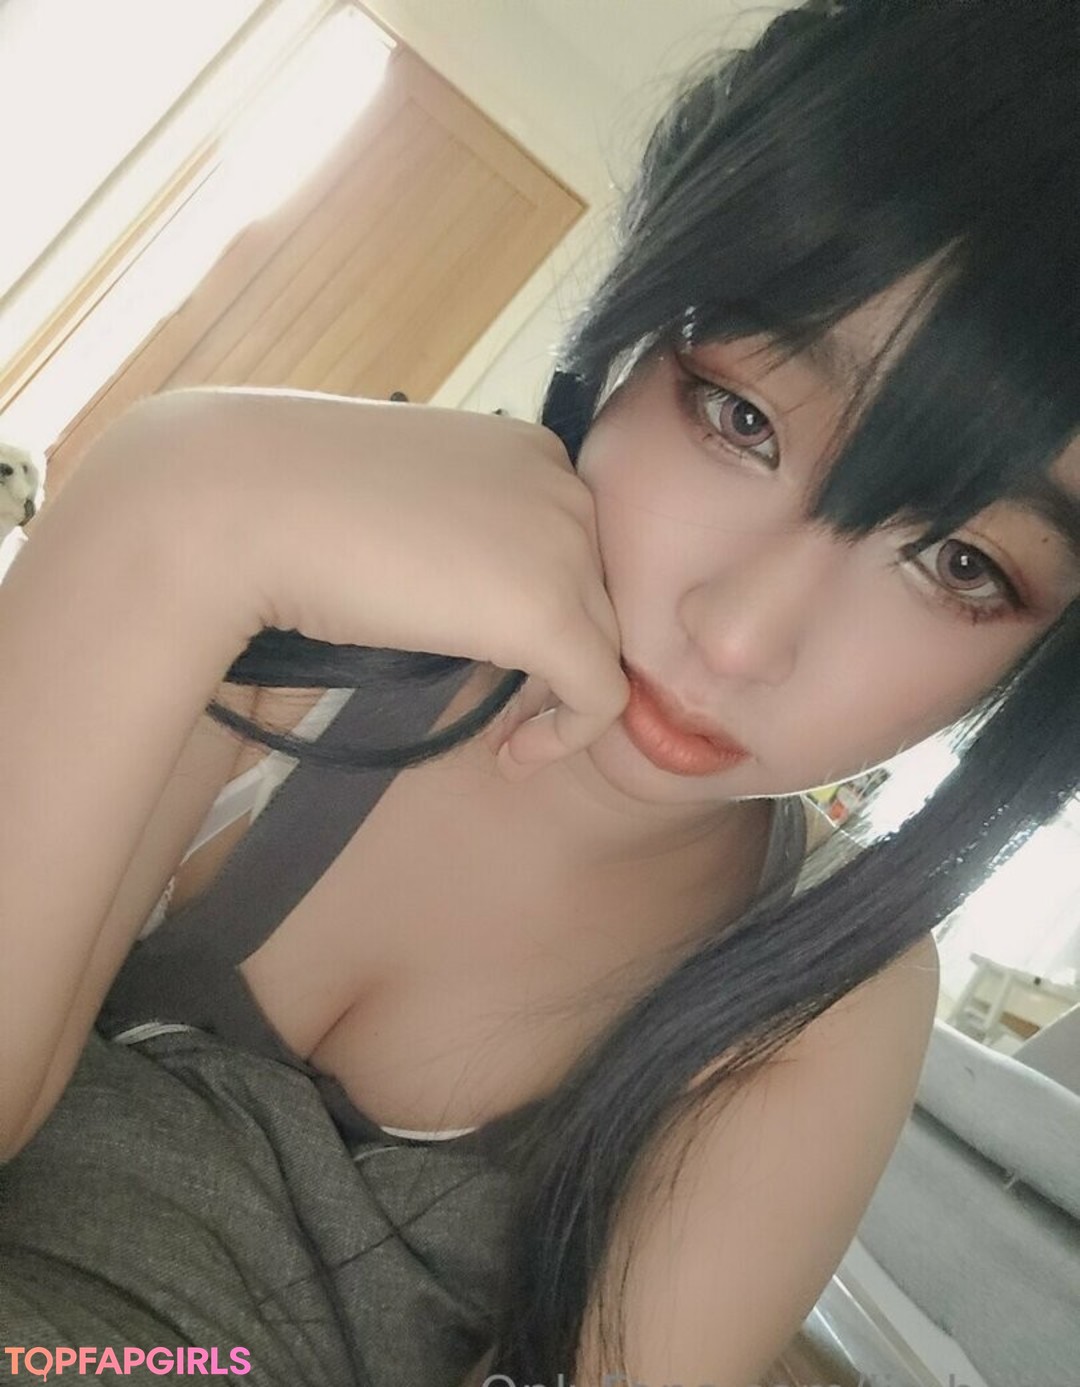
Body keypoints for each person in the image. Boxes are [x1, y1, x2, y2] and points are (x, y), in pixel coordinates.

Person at [1, 0, 1078, 1383]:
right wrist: (171, 496)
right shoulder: (294, 654)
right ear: (632, 330)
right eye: (740, 416)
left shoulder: (822, 999)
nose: (740, 637)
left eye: (961, 564)